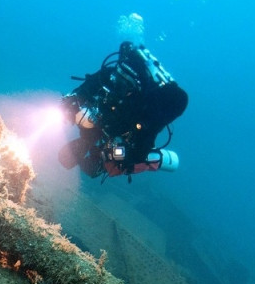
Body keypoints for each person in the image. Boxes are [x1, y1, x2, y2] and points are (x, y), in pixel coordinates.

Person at [58, 41, 188, 181]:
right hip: (103, 122)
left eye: (125, 85)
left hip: (126, 134)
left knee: (93, 168)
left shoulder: (148, 109)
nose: (118, 87)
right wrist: (73, 101)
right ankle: (89, 143)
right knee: (66, 158)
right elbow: (83, 91)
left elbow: (141, 149)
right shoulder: (107, 76)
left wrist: (111, 156)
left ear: (136, 88)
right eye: (118, 79)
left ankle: (109, 161)